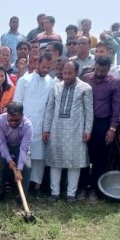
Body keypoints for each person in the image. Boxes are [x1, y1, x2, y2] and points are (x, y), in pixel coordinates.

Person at [42, 61, 93, 202]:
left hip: (76, 130)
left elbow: (89, 112)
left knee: (74, 162)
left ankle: (71, 193)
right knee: (55, 161)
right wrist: (46, 129)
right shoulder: (56, 87)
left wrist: (87, 130)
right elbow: (50, 109)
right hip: (56, 129)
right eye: (65, 73)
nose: (67, 76)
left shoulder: (85, 88)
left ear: (77, 72)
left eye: (70, 73)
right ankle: (55, 192)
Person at [80, 56, 120, 201]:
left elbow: (116, 108)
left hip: (102, 124)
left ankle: (94, 190)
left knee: (99, 158)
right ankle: (82, 187)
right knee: (83, 155)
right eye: (97, 69)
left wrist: (112, 129)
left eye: (102, 71)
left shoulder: (115, 83)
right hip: (84, 122)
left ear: (109, 69)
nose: (98, 73)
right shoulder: (86, 78)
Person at [13, 52, 55, 196]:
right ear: (37, 64)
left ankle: (36, 187)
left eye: (49, 67)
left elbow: (50, 106)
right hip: (24, 125)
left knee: (39, 159)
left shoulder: (52, 82)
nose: (46, 70)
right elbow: (17, 103)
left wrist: (47, 128)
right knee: (24, 158)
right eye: (43, 66)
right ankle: (21, 187)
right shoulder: (25, 80)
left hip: (42, 126)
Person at [0, 102, 33, 204]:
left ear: (22, 116)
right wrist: (9, 160)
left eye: (17, 120)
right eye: (10, 120)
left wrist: (19, 169)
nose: (13, 123)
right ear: (7, 115)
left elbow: (24, 149)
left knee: (27, 167)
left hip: (20, 147)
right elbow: (1, 142)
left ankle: (22, 196)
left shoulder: (28, 125)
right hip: (5, 145)